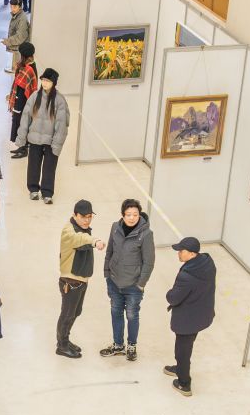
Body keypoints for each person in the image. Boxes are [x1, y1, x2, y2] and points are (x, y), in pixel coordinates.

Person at [100, 198, 155, 360]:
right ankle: (118, 345)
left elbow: (149, 262)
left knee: (132, 315)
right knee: (116, 312)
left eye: (135, 214)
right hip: (114, 281)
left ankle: (131, 346)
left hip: (133, 285)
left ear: (139, 215)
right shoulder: (115, 228)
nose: (132, 218)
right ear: (122, 215)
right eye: (128, 214)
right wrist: (107, 273)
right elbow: (109, 251)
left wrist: (141, 283)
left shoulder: (146, 234)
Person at [164, 236, 217, 397]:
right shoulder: (207, 263)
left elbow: (173, 298)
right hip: (202, 314)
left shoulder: (187, 276)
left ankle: (184, 383)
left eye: (182, 251)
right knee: (186, 346)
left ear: (192, 254)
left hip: (188, 319)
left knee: (183, 351)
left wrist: (169, 293)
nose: (179, 253)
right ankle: (180, 368)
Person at [54, 199, 101, 358]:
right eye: (83, 217)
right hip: (70, 281)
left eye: (89, 217)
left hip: (81, 279)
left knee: (75, 312)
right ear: (75, 215)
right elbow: (79, 239)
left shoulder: (82, 227)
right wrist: (95, 241)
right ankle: (61, 345)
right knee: (67, 314)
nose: (87, 220)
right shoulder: (69, 231)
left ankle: (65, 340)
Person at [18, 67, 70, 203]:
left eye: (48, 81)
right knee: (33, 165)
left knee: (49, 168)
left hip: (50, 141)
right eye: (43, 80)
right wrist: (22, 137)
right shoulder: (35, 96)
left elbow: (62, 125)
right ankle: (33, 189)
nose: (44, 83)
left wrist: (57, 144)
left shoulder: (59, 100)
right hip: (35, 139)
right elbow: (25, 118)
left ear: (54, 83)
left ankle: (47, 193)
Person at [6, 39, 37, 156]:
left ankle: (24, 149)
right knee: (19, 123)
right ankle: (21, 146)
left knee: (22, 124)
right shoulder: (26, 65)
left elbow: (26, 87)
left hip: (23, 101)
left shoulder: (29, 68)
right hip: (20, 100)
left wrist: (17, 103)